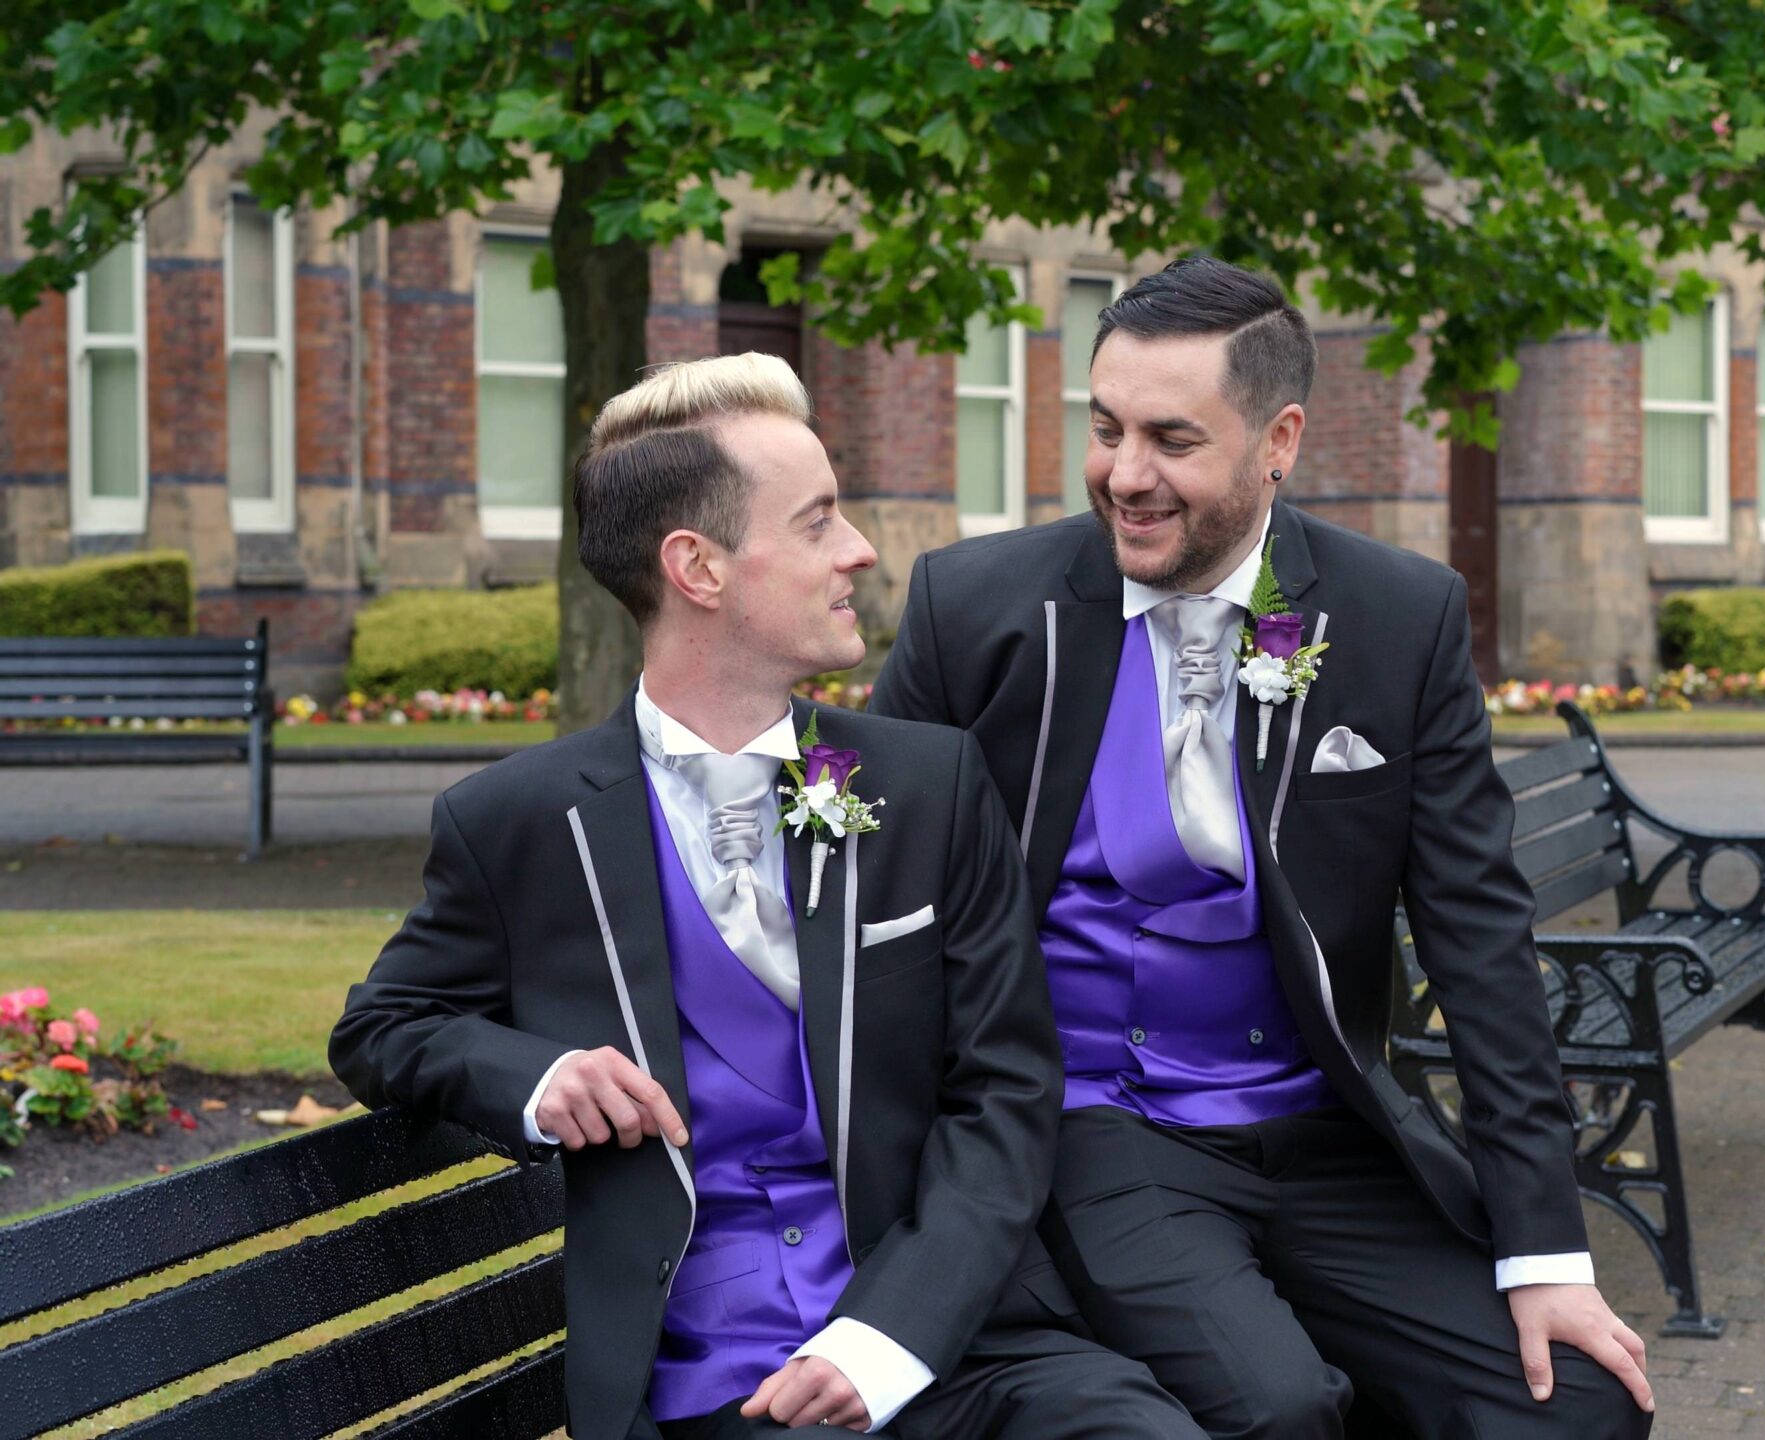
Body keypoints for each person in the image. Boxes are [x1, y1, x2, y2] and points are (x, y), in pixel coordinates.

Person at [331, 354, 1201, 1440]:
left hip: (953, 1350)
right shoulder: (517, 821)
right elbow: (382, 1029)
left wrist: (888, 1335)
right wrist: (541, 1074)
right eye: (817, 522)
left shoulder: (930, 785)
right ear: (697, 567)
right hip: (713, 1384)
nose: (860, 551)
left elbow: (1007, 1093)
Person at [868, 258, 1654, 1438]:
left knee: (1577, 1405)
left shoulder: (1397, 618)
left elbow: (1480, 942)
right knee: (1279, 1410)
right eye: (1104, 429)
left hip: (1319, 1126)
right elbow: (864, 889)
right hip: (1093, 1123)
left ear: (1278, 440)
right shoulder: (973, 610)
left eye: (1171, 440)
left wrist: (1545, 1250)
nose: (1124, 476)